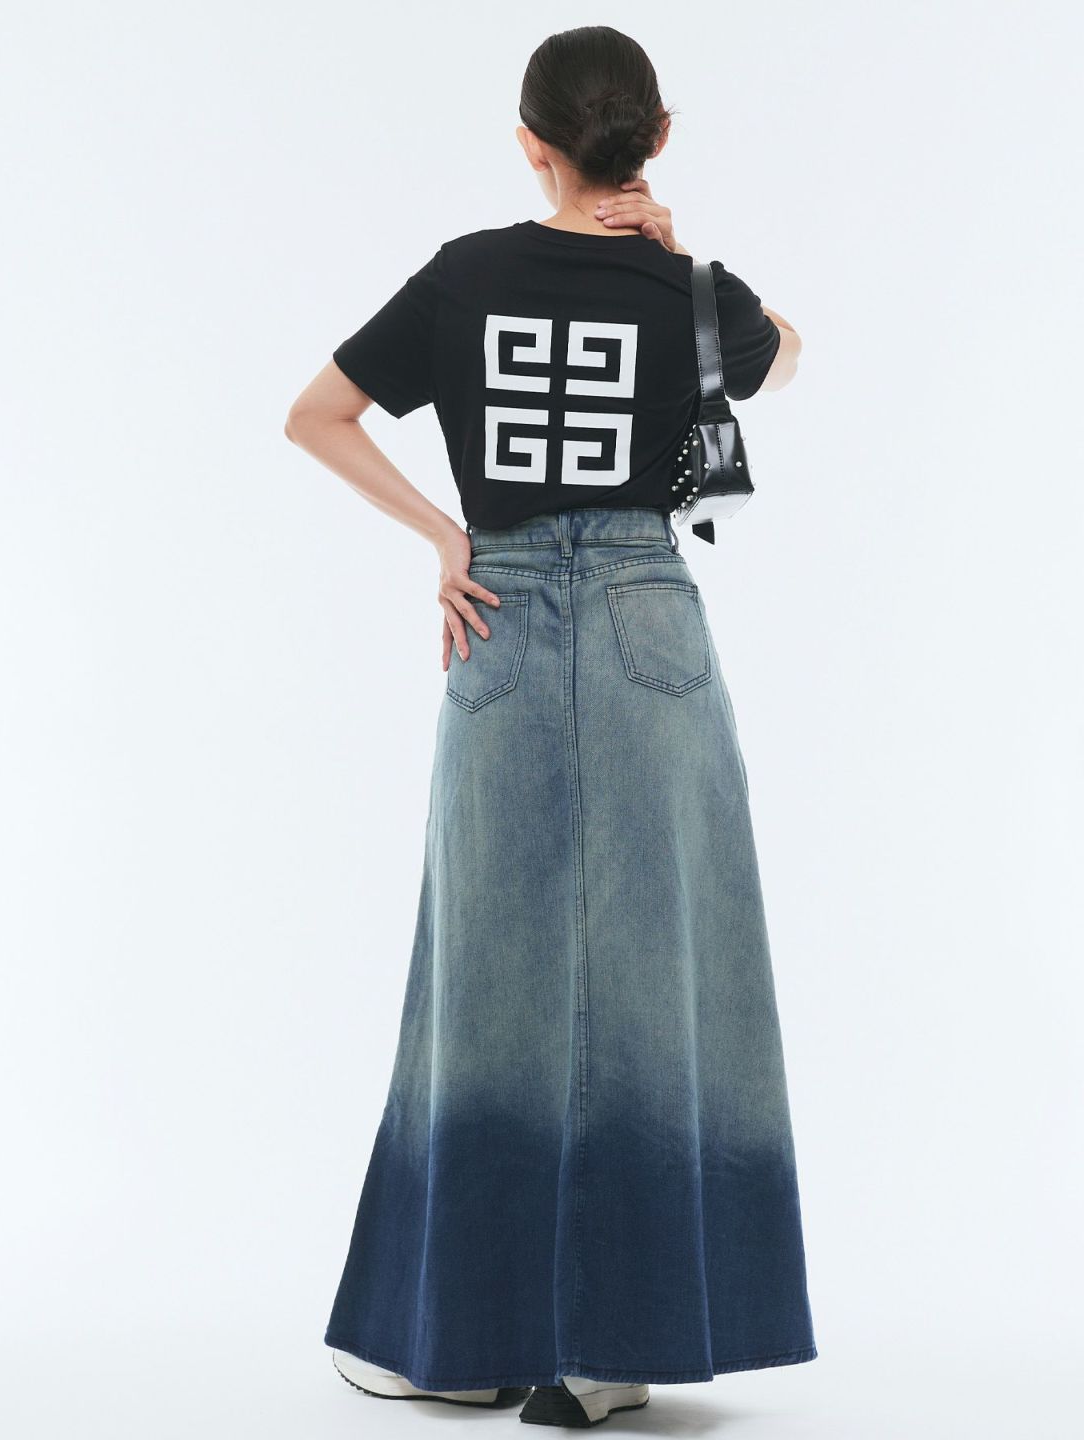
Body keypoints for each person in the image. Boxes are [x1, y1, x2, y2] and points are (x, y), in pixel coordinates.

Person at [284, 24, 816, 1430]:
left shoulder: (466, 276)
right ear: (656, 137)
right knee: (662, 972)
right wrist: (681, 257)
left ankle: (460, 1338)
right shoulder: (692, 291)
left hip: (498, 615)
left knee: (486, 976)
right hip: (652, 615)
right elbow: (786, 360)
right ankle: (610, 1354)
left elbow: (317, 416)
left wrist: (444, 535)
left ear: (530, 142)